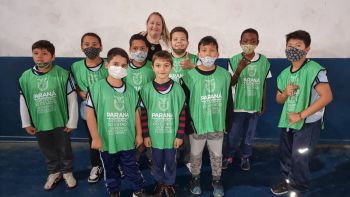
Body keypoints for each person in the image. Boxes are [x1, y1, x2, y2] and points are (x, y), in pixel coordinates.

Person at [270, 30, 333, 197]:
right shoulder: (284, 74)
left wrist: (301, 114)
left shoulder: (315, 69)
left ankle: (299, 187)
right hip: (287, 121)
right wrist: (285, 93)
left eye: (298, 46)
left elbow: (327, 97)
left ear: (307, 49)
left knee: (300, 156)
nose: (293, 49)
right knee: (286, 154)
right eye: (290, 46)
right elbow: (279, 100)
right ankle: (287, 181)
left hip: (308, 123)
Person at [86, 47, 149, 197]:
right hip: (107, 140)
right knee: (110, 168)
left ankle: (138, 190)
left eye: (123, 65)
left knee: (131, 167)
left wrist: (139, 134)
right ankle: (114, 191)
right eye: (115, 63)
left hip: (127, 139)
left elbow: (136, 113)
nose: (119, 68)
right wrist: (95, 137)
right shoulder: (96, 88)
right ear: (107, 64)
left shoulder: (131, 90)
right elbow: (90, 115)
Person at [19, 40, 78, 190]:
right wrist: (26, 122)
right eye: (36, 53)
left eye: (44, 54)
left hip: (60, 121)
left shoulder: (63, 75)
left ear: (53, 56)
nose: (40, 57)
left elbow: (72, 100)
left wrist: (72, 121)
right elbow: (24, 101)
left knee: (64, 148)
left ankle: (67, 172)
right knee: (47, 148)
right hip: (40, 122)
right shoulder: (25, 77)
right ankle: (54, 172)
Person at [181, 36, 233, 197]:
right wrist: (188, 125)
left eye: (212, 50)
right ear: (198, 54)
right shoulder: (189, 77)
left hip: (217, 124)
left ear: (218, 53)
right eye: (204, 50)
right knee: (195, 155)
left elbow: (229, 101)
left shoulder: (225, 75)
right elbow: (185, 103)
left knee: (217, 155)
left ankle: (216, 179)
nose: (208, 54)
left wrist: (228, 122)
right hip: (197, 125)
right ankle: (195, 178)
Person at [223, 28, 271, 171]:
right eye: (245, 41)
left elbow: (264, 83)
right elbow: (230, 83)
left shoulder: (264, 61)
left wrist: (263, 102)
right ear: (240, 42)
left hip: (254, 105)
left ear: (257, 42)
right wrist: (238, 70)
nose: (249, 44)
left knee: (249, 135)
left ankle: (245, 156)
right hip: (237, 105)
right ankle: (229, 156)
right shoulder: (234, 60)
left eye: (252, 41)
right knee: (233, 134)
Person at [140, 50, 186, 197]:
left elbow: (182, 113)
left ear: (171, 67)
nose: (162, 69)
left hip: (171, 136)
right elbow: (144, 114)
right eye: (158, 65)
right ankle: (160, 182)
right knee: (156, 162)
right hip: (154, 137)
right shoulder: (146, 89)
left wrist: (179, 135)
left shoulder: (178, 89)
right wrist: (146, 135)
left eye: (166, 65)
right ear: (152, 67)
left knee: (171, 162)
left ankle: (169, 183)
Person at [70, 32, 107, 183]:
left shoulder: (108, 64)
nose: (90, 47)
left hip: (108, 108)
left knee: (113, 136)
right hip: (88, 110)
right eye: (86, 45)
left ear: (101, 46)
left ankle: (115, 163)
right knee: (93, 138)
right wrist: (80, 92)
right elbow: (75, 85)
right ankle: (96, 165)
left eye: (94, 44)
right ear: (81, 47)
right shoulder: (76, 66)